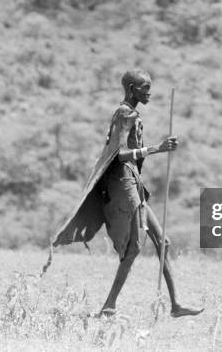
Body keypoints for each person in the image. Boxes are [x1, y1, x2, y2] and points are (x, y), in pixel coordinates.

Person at [52, 68, 203, 318]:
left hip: (134, 183)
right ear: (132, 89)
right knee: (133, 247)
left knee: (162, 242)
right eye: (145, 87)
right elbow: (118, 155)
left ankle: (176, 306)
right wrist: (158, 148)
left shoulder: (134, 114)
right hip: (123, 184)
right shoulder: (123, 113)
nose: (149, 92)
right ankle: (109, 307)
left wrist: (157, 150)